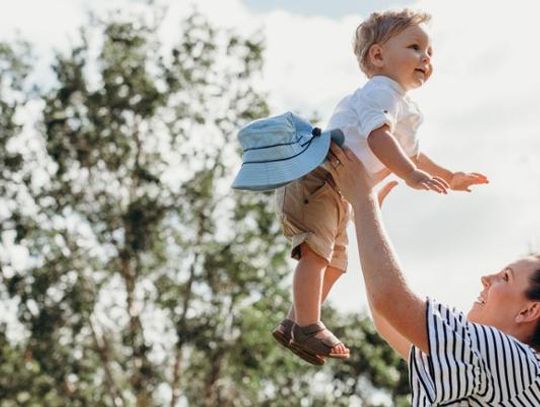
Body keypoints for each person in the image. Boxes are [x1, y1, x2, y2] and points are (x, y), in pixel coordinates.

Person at [271, 8, 488, 365]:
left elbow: (413, 154)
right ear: (377, 55)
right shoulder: (380, 92)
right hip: (319, 177)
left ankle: (295, 321)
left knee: (337, 263)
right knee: (317, 254)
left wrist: (450, 176)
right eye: (415, 47)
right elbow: (378, 139)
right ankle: (308, 324)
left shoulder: (403, 104)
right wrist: (408, 175)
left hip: (340, 189)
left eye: (430, 52)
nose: (426, 58)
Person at [325, 142, 540, 405]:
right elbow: (389, 317)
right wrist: (366, 219)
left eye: (505, 277)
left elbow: (391, 300)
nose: (487, 277)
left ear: (529, 311)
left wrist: (363, 198)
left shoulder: (511, 360)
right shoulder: (496, 368)